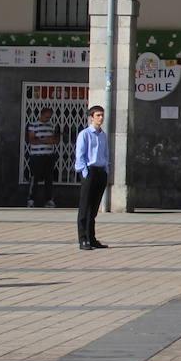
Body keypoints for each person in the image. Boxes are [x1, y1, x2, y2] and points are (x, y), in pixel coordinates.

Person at [74, 105, 110, 251]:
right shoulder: (85, 134)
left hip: (101, 171)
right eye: (98, 115)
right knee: (85, 206)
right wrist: (84, 172)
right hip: (89, 171)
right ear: (91, 118)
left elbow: (105, 153)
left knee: (94, 208)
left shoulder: (103, 135)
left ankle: (92, 238)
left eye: (102, 115)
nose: (101, 118)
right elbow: (80, 155)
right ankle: (83, 239)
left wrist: (106, 169)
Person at [25, 107, 60, 209]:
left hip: (49, 156)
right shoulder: (33, 125)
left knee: (49, 178)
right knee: (34, 178)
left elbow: (55, 140)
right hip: (36, 156)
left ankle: (48, 200)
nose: (48, 119)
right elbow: (32, 140)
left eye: (49, 117)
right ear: (41, 114)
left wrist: (41, 139)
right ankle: (31, 199)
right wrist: (46, 140)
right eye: (46, 117)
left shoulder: (51, 125)